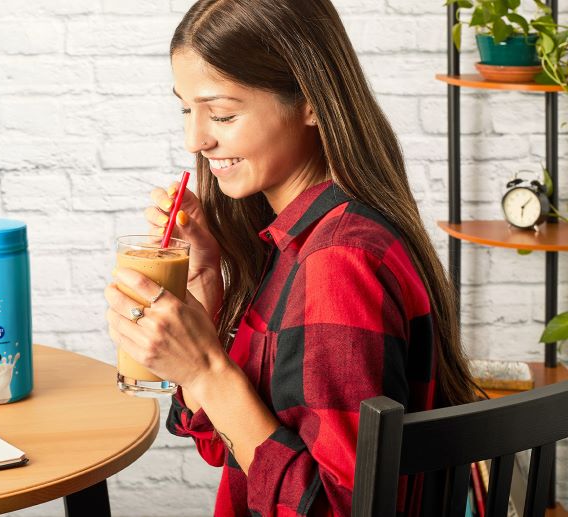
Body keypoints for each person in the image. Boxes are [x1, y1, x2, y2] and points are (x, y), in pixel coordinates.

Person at [104, 1, 478, 515]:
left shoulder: (338, 261)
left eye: (222, 114)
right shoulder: (300, 239)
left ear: (310, 102)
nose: (196, 139)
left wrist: (207, 370)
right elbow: (228, 448)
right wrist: (207, 284)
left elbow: (338, 510)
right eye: (186, 110)